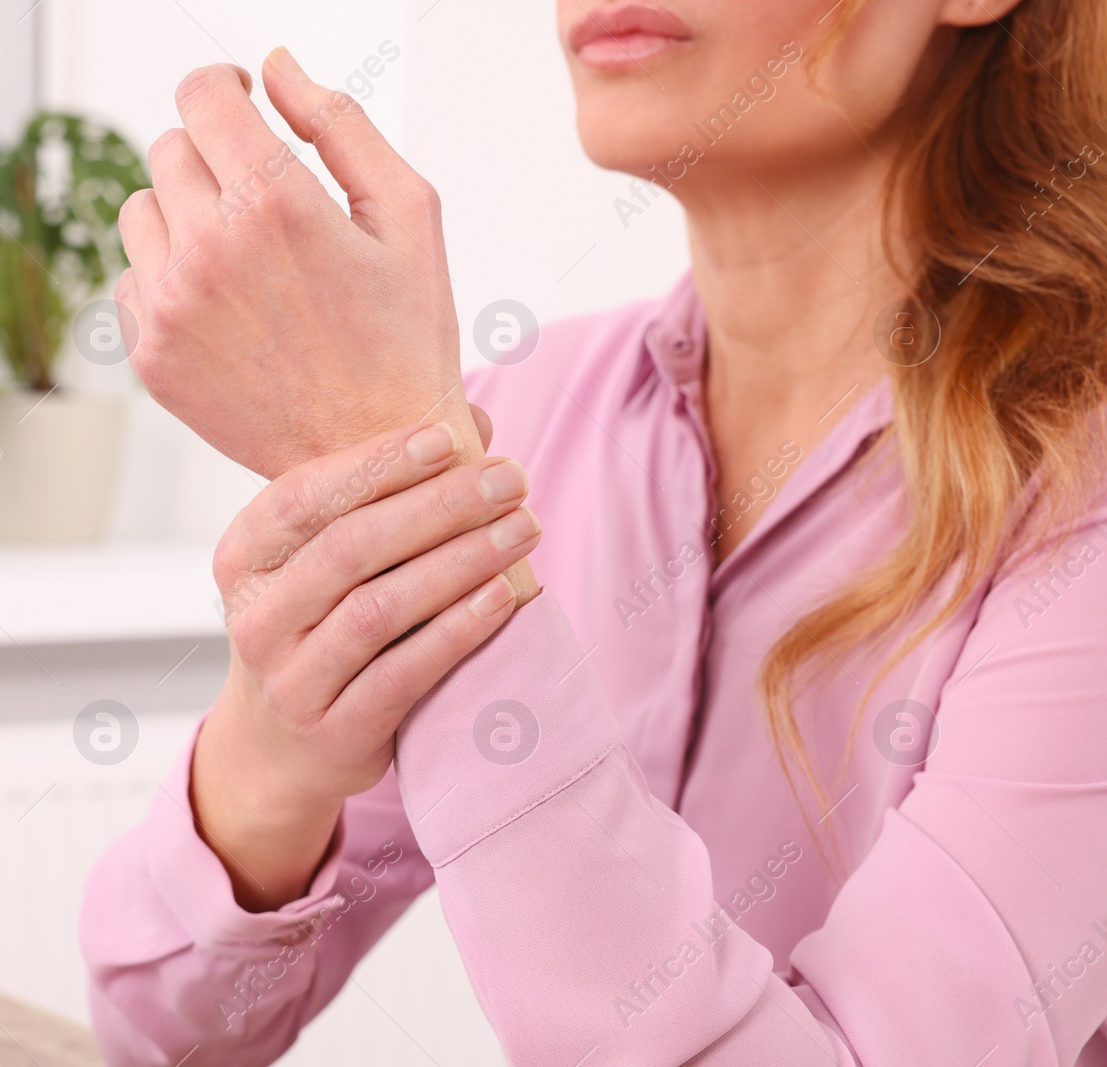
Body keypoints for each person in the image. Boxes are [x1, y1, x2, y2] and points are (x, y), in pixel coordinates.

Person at [82, 0, 1107, 1062]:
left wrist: (394, 471)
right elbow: (166, 1032)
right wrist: (280, 737)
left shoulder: (1083, 495)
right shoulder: (514, 424)